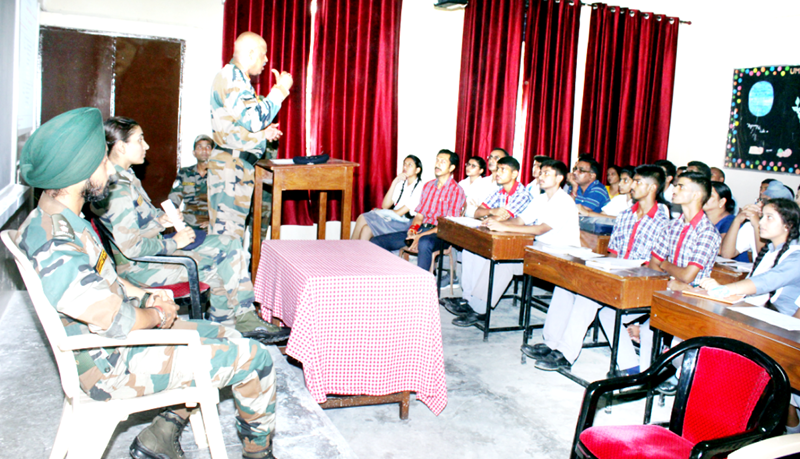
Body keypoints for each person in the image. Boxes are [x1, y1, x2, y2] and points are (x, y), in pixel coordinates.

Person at [16, 107, 278, 459]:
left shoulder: (56, 219)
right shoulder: (57, 242)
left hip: (111, 348)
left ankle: (161, 434)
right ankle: (258, 455)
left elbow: (103, 284)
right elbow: (111, 318)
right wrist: (156, 313)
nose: (109, 168)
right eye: (102, 161)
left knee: (225, 334)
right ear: (80, 170)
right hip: (113, 367)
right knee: (255, 357)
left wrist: (143, 294)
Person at [91, 117, 288, 341]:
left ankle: (233, 324)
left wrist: (160, 220)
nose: (146, 146)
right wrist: (176, 242)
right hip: (142, 268)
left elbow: (135, 225)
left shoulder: (126, 179)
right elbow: (132, 248)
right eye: (140, 140)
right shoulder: (119, 189)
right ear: (121, 146)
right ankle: (230, 327)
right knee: (222, 266)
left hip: (148, 256)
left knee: (230, 243)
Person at [699, 198, 800, 435]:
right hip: (764, 319)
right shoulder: (771, 250)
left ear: (788, 225)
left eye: (769, 218)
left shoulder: (796, 254)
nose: (761, 222)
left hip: (784, 329)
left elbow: (767, 282)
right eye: (761, 216)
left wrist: (723, 290)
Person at [444, 160, 579, 328]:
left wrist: (502, 226)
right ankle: (476, 308)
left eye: (547, 173)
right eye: (541, 172)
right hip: (539, 249)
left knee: (503, 262)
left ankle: (478, 310)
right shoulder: (541, 199)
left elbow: (540, 229)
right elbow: (520, 220)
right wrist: (495, 223)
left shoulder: (564, 201)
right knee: (501, 262)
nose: (541, 176)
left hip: (561, 254)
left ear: (559, 178)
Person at [209, 31, 292, 238]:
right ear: (250, 53)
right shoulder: (233, 78)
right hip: (231, 168)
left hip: (236, 166)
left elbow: (240, 125)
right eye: (263, 54)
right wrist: (280, 89)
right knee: (226, 241)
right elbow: (254, 120)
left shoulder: (238, 79)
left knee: (231, 240)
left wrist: (263, 134)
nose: (266, 60)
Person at [592, 166, 670, 375]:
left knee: (607, 314)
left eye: (637, 182)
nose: (631, 186)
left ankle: (630, 369)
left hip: (641, 282)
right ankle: (560, 350)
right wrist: (601, 269)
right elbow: (614, 252)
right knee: (583, 295)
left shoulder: (663, 220)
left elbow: (655, 265)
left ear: (653, 187)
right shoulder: (625, 215)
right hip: (619, 275)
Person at [444, 157, 533, 327]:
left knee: (487, 258)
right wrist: (492, 212)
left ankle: (478, 309)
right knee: (470, 249)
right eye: (497, 169)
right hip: (495, 237)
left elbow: (504, 219)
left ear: (515, 173)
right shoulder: (499, 191)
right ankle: (468, 299)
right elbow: (477, 212)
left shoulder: (522, 194)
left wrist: (491, 216)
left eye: (503, 170)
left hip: (514, 244)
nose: (498, 173)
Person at [371, 149, 466, 271]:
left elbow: (448, 225)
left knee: (424, 242)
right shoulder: (428, 186)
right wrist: (413, 230)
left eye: (443, 162)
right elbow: (419, 215)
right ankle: (385, 277)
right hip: (421, 229)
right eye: (437, 160)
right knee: (376, 241)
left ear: (452, 167)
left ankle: (423, 285)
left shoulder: (456, 190)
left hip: (440, 234)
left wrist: (421, 236)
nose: (437, 164)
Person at [649, 170, 721, 292]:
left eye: (681, 187)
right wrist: (670, 282)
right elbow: (653, 264)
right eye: (676, 186)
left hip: (693, 294)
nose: (674, 190)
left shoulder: (707, 232)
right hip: (666, 288)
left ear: (696, 195)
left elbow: (687, 276)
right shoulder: (671, 226)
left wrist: (665, 264)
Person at [352, 155, 423, 240]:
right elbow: (385, 205)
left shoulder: (420, 188)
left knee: (362, 217)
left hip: (403, 223)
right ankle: (355, 252)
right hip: (392, 218)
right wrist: (394, 182)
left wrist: (382, 212)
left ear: (417, 170)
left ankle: (348, 248)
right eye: (404, 164)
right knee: (366, 229)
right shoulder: (401, 183)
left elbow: (399, 213)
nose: (405, 167)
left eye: (410, 165)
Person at [720, 180, 794, 262]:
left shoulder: (786, 230)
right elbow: (727, 254)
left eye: (764, 202)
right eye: (760, 200)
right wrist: (737, 220)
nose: (758, 205)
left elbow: (765, 261)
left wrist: (757, 225)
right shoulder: (750, 227)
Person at [168, 134, 214, 230]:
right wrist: (175, 219)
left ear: (213, 152)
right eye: (200, 147)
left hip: (212, 225)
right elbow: (174, 199)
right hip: (187, 224)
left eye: (208, 147)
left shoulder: (219, 175)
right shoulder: (185, 173)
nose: (204, 150)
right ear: (194, 153)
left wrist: (212, 223)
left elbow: (226, 206)